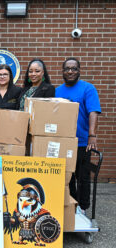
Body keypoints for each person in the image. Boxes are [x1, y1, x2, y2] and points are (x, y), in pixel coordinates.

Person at [56, 57, 101, 214]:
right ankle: (72, 206)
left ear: (79, 71)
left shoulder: (88, 89)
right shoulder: (57, 91)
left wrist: (92, 135)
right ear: (62, 71)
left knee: (83, 177)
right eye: (67, 68)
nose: (70, 71)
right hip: (64, 142)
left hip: (82, 142)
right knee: (68, 176)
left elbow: (93, 112)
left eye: (74, 68)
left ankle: (83, 208)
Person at [0, 65, 21, 136]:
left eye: (5, 74)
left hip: (12, 131)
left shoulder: (18, 91)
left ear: (10, 76)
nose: (2, 77)